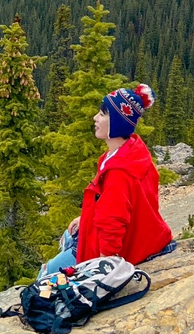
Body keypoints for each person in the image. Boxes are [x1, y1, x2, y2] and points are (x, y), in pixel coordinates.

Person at [43, 84, 174, 275]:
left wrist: (102, 269)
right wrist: (86, 218)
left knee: (47, 274)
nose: (95, 118)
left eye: (103, 114)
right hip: (144, 237)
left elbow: (113, 222)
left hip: (117, 250)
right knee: (69, 234)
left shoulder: (119, 171)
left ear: (118, 123)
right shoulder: (131, 151)